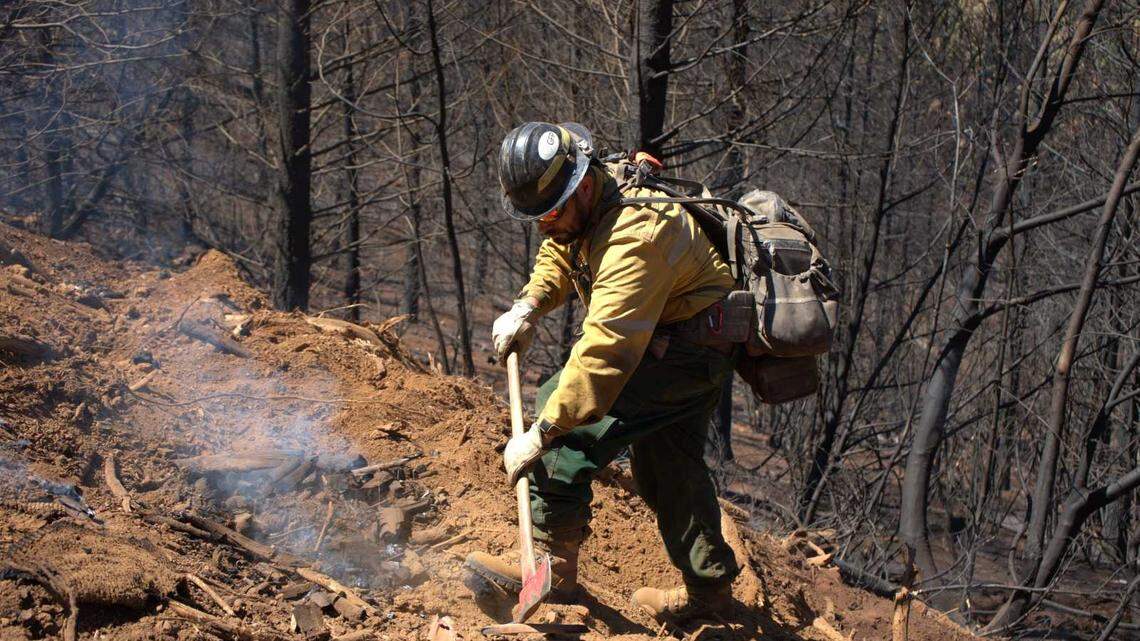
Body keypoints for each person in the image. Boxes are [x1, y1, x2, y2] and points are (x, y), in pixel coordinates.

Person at [465, 121, 740, 622]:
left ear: (583, 185)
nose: (543, 225)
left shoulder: (637, 236)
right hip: (682, 340)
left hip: (685, 350)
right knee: (668, 467)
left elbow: (606, 352)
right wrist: (530, 304)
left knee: (564, 430)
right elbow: (561, 245)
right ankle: (711, 596)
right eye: (536, 217)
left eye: (550, 212)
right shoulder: (589, 195)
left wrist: (544, 430)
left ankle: (552, 570)